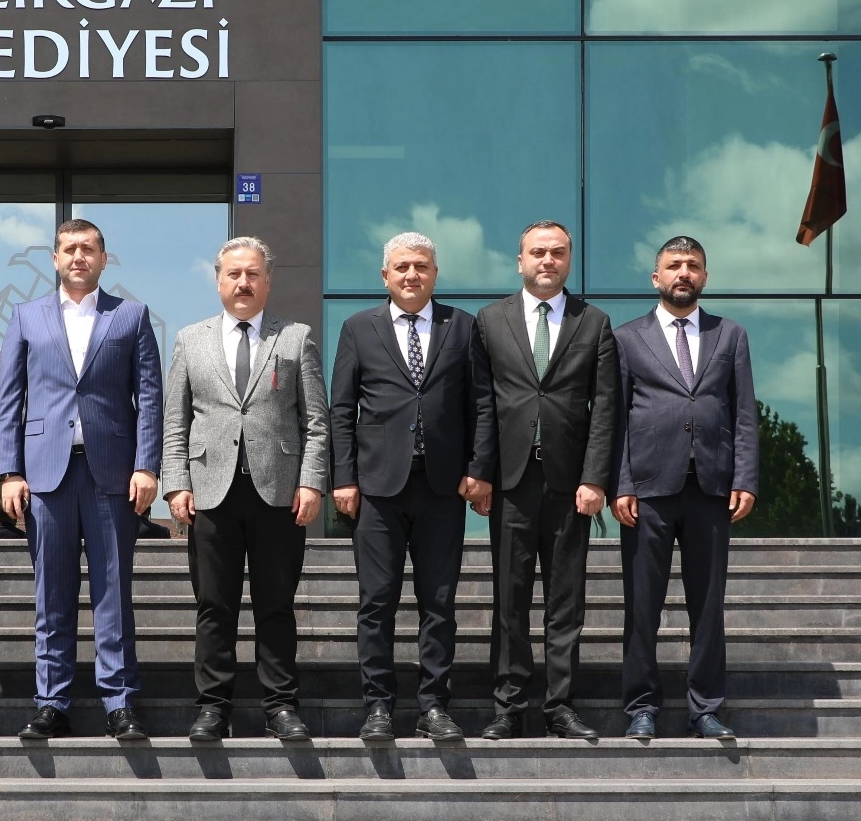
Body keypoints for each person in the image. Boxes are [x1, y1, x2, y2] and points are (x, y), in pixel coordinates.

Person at [0, 218, 163, 740]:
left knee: (114, 593)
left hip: (112, 472)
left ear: (103, 259)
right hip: (45, 475)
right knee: (52, 596)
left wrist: (147, 465)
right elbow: (10, 400)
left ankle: (120, 702)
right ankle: (52, 703)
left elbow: (149, 398)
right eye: (69, 248)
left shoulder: (131, 316)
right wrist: (9, 471)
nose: (78, 257)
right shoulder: (25, 316)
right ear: (54, 258)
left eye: (88, 248)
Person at [329, 231, 497, 742]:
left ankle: (433, 707)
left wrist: (479, 467)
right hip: (377, 488)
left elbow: (482, 404)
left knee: (439, 603)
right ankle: (378, 706)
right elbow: (341, 409)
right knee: (376, 602)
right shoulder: (358, 328)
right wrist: (344, 477)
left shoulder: (462, 326)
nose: (411, 274)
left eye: (421, 266)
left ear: (435, 274)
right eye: (402, 266)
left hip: (443, 487)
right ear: (385, 275)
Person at [162, 237, 329, 741]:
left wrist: (311, 481)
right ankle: (214, 708)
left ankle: (281, 706)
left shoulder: (295, 338)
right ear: (218, 281)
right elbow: (176, 420)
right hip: (210, 493)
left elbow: (316, 421)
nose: (243, 283)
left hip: (278, 492)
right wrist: (176, 484)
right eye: (233, 274)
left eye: (253, 274)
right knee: (215, 606)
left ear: (268, 281)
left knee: (276, 605)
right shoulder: (190, 340)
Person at [474, 221, 617, 740]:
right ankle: (508, 708)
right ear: (520, 261)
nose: (547, 260)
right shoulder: (490, 321)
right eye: (538, 252)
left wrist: (595, 477)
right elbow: (482, 403)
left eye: (557, 252)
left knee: (566, 603)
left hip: (570, 485)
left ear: (569, 261)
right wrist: (480, 473)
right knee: (508, 601)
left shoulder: (593, 322)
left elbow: (605, 408)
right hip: (511, 483)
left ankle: (560, 707)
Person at [612, 234, 758, 739]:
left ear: (704, 276)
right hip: (647, 490)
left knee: (708, 606)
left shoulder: (730, 335)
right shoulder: (627, 338)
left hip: (712, 488)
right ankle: (641, 707)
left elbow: (744, 412)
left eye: (693, 265)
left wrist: (746, 477)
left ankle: (705, 708)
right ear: (656, 277)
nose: (684, 273)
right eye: (674, 265)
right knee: (641, 606)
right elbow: (616, 417)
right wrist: (621, 482)